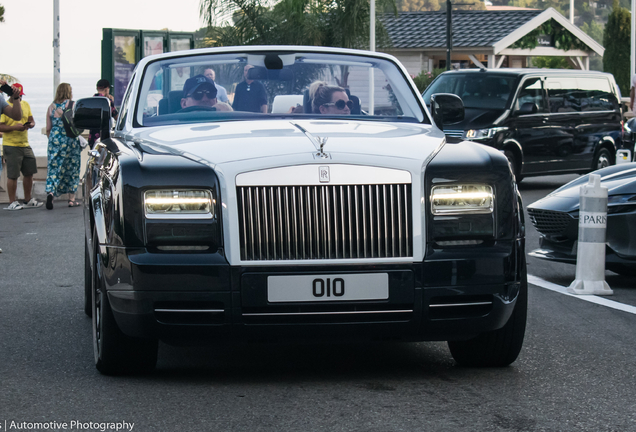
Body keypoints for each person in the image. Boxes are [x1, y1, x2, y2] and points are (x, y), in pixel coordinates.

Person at [0, 83, 43, 210]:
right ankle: (12, 201)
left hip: (25, 144)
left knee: (29, 172)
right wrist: (14, 127)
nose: (20, 97)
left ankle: (28, 199)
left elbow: (27, 118)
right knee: (12, 174)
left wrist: (30, 124)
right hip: (11, 144)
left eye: (20, 95)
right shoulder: (5, 103)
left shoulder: (25, 104)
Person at [45, 83, 82, 209]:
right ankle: (71, 199)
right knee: (72, 168)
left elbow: (48, 128)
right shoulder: (73, 105)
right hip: (70, 139)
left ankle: (50, 193)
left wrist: (54, 140)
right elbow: (78, 124)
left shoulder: (51, 107)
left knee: (54, 168)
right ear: (68, 92)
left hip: (55, 139)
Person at [88, 79, 118, 148]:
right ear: (107, 89)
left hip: (92, 138)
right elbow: (116, 117)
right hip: (104, 138)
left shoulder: (91, 100)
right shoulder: (108, 102)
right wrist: (112, 102)